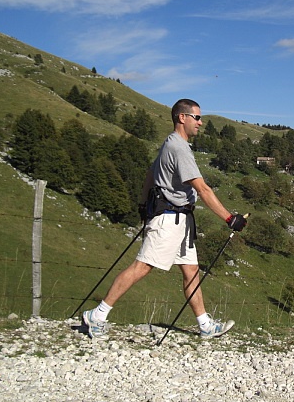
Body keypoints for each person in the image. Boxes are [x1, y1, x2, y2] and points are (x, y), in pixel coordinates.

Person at [82, 98, 247, 339]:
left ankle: (205, 326)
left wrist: (143, 204)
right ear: (182, 117)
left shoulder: (170, 143)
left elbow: (151, 173)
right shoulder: (179, 148)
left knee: (191, 271)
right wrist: (229, 218)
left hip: (179, 221)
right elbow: (203, 189)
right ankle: (97, 315)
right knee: (142, 267)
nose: (201, 123)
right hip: (169, 220)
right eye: (197, 117)